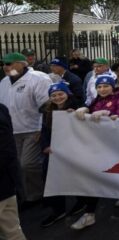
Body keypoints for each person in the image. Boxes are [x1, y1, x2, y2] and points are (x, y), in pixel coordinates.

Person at [71, 75, 119, 230]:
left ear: (112, 86)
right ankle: (89, 214)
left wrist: (107, 114)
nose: (102, 89)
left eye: (106, 86)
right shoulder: (96, 100)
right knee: (93, 176)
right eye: (99, 87)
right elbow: (88, 111)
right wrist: (83, 109)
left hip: (117, 145)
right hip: (98, 145)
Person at [0, 52, 52, 204]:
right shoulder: (3, 82)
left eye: (10, 63)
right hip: (11, 132)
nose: (6, 67)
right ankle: (23, 194)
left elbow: (47, 106)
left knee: (27, 164)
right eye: (4, 64)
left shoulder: (38, 78)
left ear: (23, 64)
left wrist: (40, 129)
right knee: (15, 165)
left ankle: (37, 195)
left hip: (32, 129)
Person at [40, 82, 82, 227]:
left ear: (67, 94)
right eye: (54, 95)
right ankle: (57, 209)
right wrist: (45, 146)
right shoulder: (47, 110)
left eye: (60, 94)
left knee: (76, 177)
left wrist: (76, 115)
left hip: (73, 151)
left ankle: (82, 201)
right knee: (50, 178)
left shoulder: (76, 106)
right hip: (53, 151)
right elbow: (44, 130)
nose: (57, 98)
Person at [0, 102, 30, 240]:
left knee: (11, 234)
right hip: (6, 184)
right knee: (11, 234)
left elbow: (5, 151)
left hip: (4, 185)